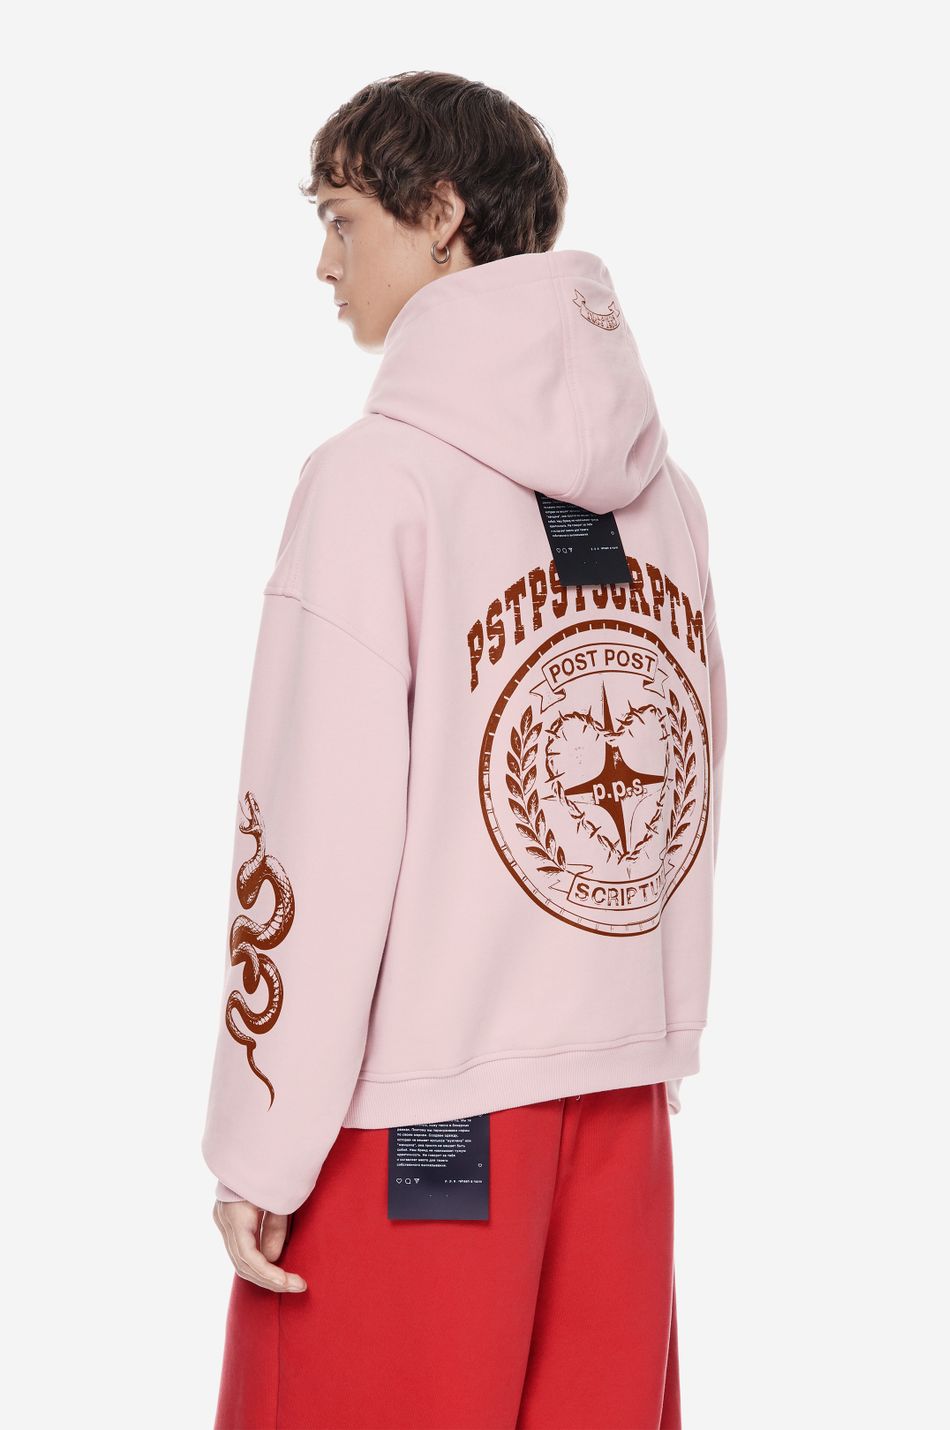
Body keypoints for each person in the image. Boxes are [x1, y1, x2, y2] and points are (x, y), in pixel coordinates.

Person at [202, 70, 726, 1430]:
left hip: (416, 1120)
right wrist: (651, 1030)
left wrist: (262, 1136)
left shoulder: (375, 481)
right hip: (616, 1101)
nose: (325, 265)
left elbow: (316, 828)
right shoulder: (666, 498)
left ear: (439, 213)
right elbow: (684, 788)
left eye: (342, 219)